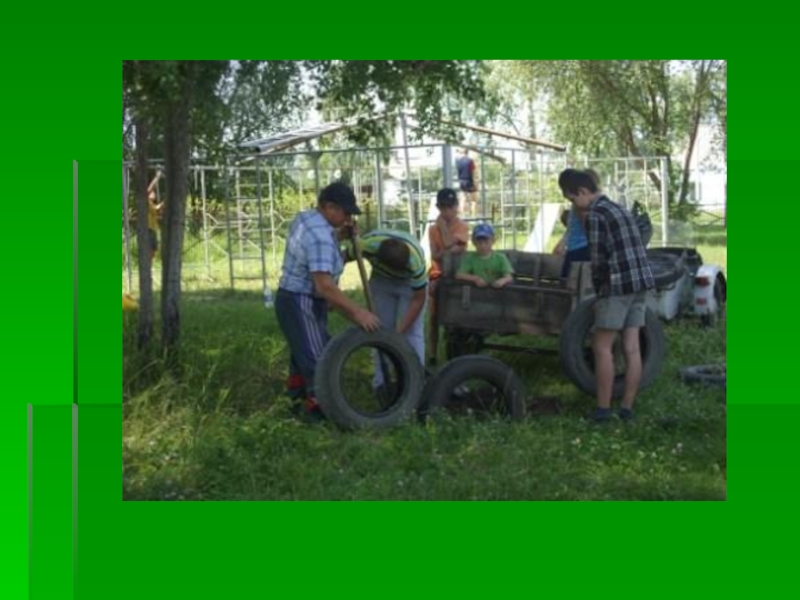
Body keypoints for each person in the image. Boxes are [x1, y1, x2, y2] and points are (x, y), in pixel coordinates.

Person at [275, 182, 381, 420]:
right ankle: (320, 414)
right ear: (329, 207)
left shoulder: (307, 219)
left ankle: (294, 404)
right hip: (301, 301)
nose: (349, 218)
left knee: (302, 354)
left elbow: (318, 249)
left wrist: (340, 235)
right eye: (346, 212)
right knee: (319, 359)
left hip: (291, 297)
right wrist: (358, 313)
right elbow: (324, 287)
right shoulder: (321, 237)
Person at [558, 168, 655, 423]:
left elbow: (598, 261)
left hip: (618, 285)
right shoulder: (619, 208)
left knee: (601, 346)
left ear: (582, 191)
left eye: (572, 199)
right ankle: (627, 409)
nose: (573, 205)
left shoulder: (595, 215)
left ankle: (602, 410)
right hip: (641, 282)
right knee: (632, 348)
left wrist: (600, 294)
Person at [344, 229, 428, 389]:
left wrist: (399, 333)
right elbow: (341, 258)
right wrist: (333, 285)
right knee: (380, 330)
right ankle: (381, 382)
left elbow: (418, 300)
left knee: (412, 333)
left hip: (408, 284)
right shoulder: (365, 246)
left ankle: (416, 384)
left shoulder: (415, 263)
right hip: (381, 280)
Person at [427, 187, 469, 366]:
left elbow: (448, 246)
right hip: (437, 274)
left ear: (456, 206)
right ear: (438, 207)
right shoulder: (432, 229)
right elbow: (436, 255)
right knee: (433, 316)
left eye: (451, 207)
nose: (448, 211)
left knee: (454, 316)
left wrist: (443, 228)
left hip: (457, 275)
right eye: (443, 207)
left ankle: (453, 352)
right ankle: (432, 354)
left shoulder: (463, 227)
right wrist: (448, 249)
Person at [553, 168, 600, 278]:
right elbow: (587, 228)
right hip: (580, 249)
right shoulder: (581, 205)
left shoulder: (580, 203)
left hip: (577, 249)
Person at [456, 223, 514, 288]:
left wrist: (502, 281)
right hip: (477, 291)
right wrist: (475, 279)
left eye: (486, 242)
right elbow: (459, 275)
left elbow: (509, 277)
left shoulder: (501, 258)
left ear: (493, 241)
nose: (483, 246)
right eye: (479, 242)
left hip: (498, 291)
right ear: (474, 242)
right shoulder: (470, 258)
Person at [455, 148, 479, 217]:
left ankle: (462, 216)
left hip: (461, 181)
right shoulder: (470, 161)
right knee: (474, 200)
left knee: (463, 199)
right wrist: (475, 183)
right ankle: (474, 216)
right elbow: (473, 172)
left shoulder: (458, 161)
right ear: (467, 152)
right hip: (469, 180)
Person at [146, 171, 164, 260]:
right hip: (148, 228)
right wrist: (157, 177)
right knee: (149, 249)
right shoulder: (146, 202)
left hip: (153, 228)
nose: (154, 193)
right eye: (152, 192)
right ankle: (147, 263)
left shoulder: (152, 204)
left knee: (153, 250)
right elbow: (149, 190)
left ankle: (150, 264)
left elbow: (157, 210)